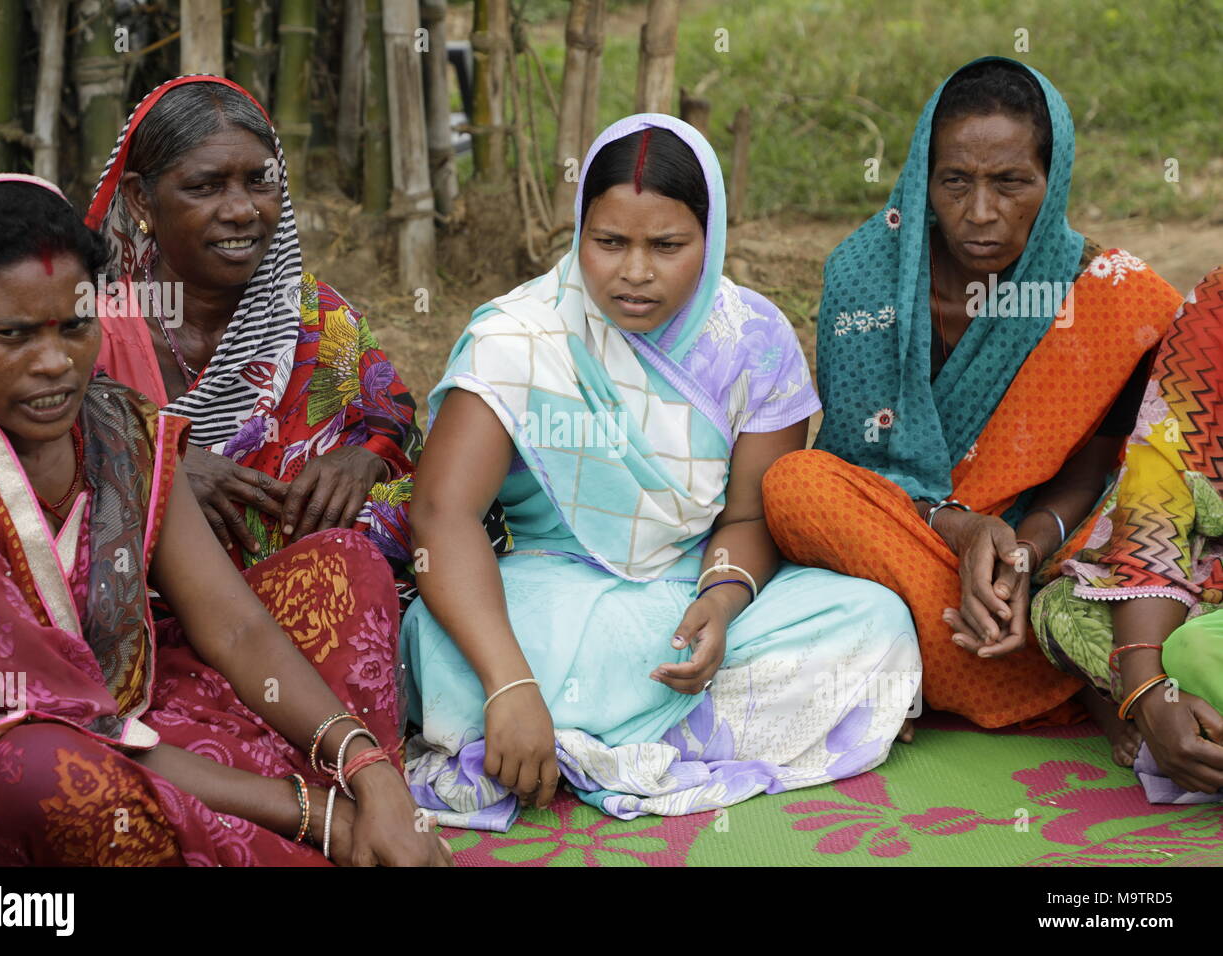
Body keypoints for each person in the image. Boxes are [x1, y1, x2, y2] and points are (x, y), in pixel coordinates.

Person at [401, 114, 920, 832]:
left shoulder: (755, 341)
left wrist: (724, 600)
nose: (635, 272)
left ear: (710, 243)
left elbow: (747, 517)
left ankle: (573, 733)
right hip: (548, 600)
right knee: (436, 634)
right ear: (580, 232)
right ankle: (585, 721)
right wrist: (509, 679)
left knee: (873, 621)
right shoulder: (521, 336)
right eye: (609, 242)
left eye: (667, 246)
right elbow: (441, 516)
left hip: (686, 593)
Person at [0, 174, 450, 866]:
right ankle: (320, 830)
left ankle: (359, 813)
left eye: (76, 326)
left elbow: (233, 625)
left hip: (141, 714)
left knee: (342, 569)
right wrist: (314, 812)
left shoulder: (115, 426)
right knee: (50, 780)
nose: (52, 364)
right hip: (12, 756)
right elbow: (58, 732)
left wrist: (368, 768)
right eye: (13, 334)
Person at [762, 57, 1182, 730]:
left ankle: (975, 650)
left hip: (1041, 554)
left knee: (1151, 538)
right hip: (907, 530)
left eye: (1012, 183)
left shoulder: (1108, 296)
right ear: (922, 181)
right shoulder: (864, 278)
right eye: (954, 182)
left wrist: (1023, 552)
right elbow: (856, 468)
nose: (980, 213)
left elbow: (1096, 473)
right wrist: (957, 528)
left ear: (1054, 178)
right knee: (797, 487)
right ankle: (1061, 680)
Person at [87, 75, 491, 587]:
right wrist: (157, 466)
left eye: (260, 181)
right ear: (141, 201)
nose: (242, 210)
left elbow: (395, 423)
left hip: (335, 604)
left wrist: (363, 460)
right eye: (205, 186)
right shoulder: (90, 334)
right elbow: (45, 473)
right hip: (159, 615)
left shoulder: (315, 316)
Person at [1033, 266, 1223, 800]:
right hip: (1211, 596)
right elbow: (1156, 499)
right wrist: (1149, 687)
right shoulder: (1218, 306)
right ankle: (1167, 720)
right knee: (1064, 607)